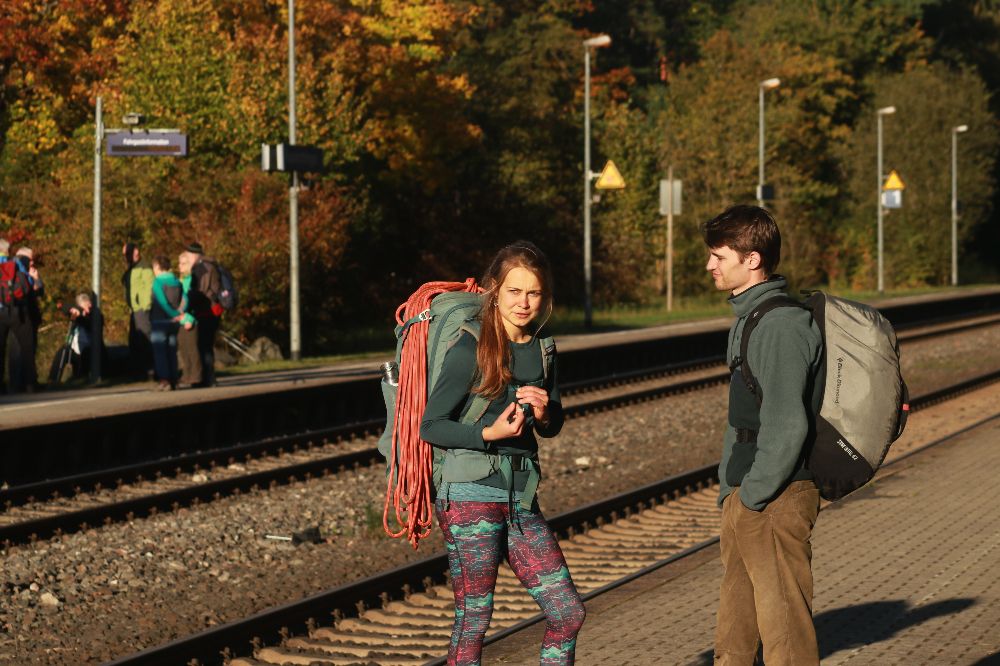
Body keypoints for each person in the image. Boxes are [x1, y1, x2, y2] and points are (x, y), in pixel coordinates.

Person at [419, 241, 585, 666]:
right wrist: (488, 432)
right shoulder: (469, 347)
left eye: (534, 293)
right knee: (474, 617)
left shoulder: (544, 348)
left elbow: (553, 425)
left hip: (520, 498)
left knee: (567, 612)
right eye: (515, 291)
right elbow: (431, 425)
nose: (524, 303)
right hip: (469, 492)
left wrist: (546, 414)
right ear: (495, 289)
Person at [703, 205, 824, 666]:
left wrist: (753, 496)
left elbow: (786, 421)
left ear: (751, 259)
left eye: (718, 255)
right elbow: (743, 417)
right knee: (735, 630)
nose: (710, 265)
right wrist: (731, 492)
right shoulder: (750, 317)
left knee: (785, 636)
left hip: (776, 493)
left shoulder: (781, 324)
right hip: (747, 493)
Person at [182, 242, 221, 387]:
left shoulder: (201, 268)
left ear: (193, 255)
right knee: (206, 345)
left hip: (206, 311)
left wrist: (184, 304)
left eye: (187, 255)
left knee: (203, 345)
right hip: (211, 310)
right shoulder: (210, 265)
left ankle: (208, 378)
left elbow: (199, 292)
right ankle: (207, 377)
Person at [0, 238, 36, 393]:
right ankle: (30, 384)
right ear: (8, 249)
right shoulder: (16, 262)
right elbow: (28, 283)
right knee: (27, 347)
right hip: (18, 310)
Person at [6, 247, 42, 391]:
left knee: (25, 350)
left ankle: (18, 383)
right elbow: (34, 291)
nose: (32, 262)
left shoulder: (26, 271)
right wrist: (35, 280)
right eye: (29, 259)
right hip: (22, 315)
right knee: (21, 350)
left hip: (23, 315)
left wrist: (37, 279)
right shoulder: (19, 272)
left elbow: (40, 291)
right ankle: (25, 383)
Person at [150, 255, 184, 390]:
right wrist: (180, 313)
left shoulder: (157, 282)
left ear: (158, 266)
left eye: (153, 267)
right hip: (174, 323)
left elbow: (162, 301)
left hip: (160, 320)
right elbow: (185, 298)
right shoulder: (176, 281)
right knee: (172, 350)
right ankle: (174, 378)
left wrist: (172, 313)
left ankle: (164, 380)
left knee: (160, 351)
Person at [122, 242, 154, 378]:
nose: (125, 256)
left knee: (145, 339)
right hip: (134, 309)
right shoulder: (131, 268)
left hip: (141, 309)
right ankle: (138, 370)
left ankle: (150, 370)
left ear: (136, 251)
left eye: (128, 253)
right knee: (135, 340)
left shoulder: (144, 267)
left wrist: (144, 306)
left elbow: (149, 287)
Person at [61, 291, 105, 379]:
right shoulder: (77, 313)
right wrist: (73, 310)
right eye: (84, 307)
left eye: (89, 306)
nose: (87, 310)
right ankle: (53, 379)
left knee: (85, 354)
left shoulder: (96, 315)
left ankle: (83, 377)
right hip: (76, 349)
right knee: (61, 353)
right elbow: (64, 307)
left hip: (91, 349)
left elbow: (90, 325)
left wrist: (81, 316)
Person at [176, 251, 202, 386]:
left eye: (183, 263)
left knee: (192, 348)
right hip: (180, 318)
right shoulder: (180, 280)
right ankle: (186, 375)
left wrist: (189, 318)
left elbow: (192, 300)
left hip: (190, 318)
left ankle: (196, 376)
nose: (180, 266)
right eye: (179, 263)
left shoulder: (192, 279)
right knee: (183, 348)